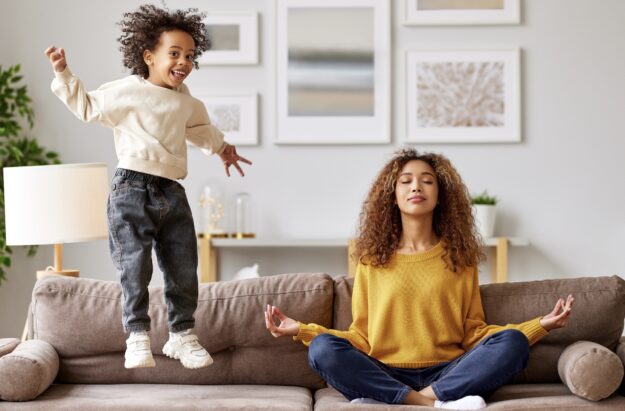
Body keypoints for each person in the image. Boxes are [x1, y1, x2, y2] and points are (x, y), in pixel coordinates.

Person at [265, 148, 573, 410]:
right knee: (322, 349)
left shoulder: (459, 259)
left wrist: (539, 326)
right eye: (406, 181)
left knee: (514, 342)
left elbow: (474, 333)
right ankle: (431, 403)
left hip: (448, 372)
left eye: (427, 181)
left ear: (440, 196)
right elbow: (361, 338)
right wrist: (303, 331)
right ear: (393, 195)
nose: (416, 187)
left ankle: (395, 401)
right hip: (385, 371)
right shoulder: (371, 260)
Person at [45, 4, 251, 370]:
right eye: (174, 53)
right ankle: (137, 335)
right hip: (131, 189)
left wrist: (224, 150)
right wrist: (64, 74)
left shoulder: (188, 103)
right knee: (134, 266)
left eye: (189, 56)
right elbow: (88, 106)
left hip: (172, 192)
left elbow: (205, 132)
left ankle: (182, 335)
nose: (183, 62)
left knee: (184, 266)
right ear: (149, 56)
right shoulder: (128, 91)